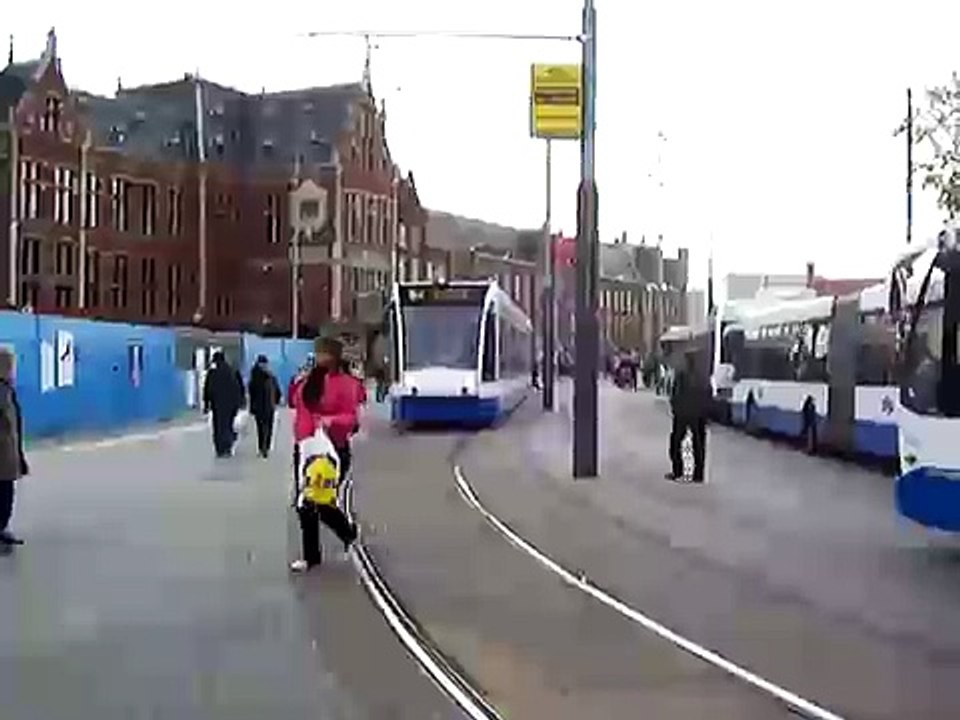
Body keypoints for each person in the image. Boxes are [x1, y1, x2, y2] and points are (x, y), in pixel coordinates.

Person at [289, 337, 360, 572]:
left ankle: (347, 533)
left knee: (318, 501)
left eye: (323, 354)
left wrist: (330, 421)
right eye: (317, 353)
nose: (318, 358)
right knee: (306, 503)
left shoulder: (346, 383)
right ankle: (313, 555)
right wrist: (298, 383)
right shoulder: (309, 380)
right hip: (307, 448)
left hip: (332, 449)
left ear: (333, 357)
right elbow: (295, 403)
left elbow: (351, 418)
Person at [666, 351, 710, 483]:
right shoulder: (703, 377)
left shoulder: (681, 375)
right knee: (699, 444)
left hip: (683, 414)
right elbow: (707, 395)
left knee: (676, 443)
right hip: (699, 414)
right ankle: (698, 474)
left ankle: (678, 471)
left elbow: (675, 393)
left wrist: (675, 408)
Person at [0, 348, 27, 548]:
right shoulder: (1, 390)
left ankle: (1, 530)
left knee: (6, 494)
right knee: (3, 494)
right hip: (2, 453)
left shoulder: (7, 389)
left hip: (8, 452)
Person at [203, 351, 244, 458]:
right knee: (228, 425)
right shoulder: (232, 371)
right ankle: (228, 447)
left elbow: (208, 389)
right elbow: (238, 388)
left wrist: (206, 405)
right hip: (230, 405)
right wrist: (239, 403)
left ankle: (220, 449)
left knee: (218, 427)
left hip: (217, 405)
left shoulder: (212, 373)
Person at [248, 355, 282, 458]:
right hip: (266, 406)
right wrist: (276, 400)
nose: (264, 366)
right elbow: (276, 391)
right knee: (266, 427)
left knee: (263, 428)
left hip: (264, 406)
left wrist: (276, 400)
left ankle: (263, 447)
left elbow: (277, 391)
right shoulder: (269, 377)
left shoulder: (256, 377)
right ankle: (264, 447)